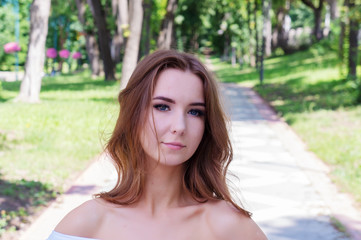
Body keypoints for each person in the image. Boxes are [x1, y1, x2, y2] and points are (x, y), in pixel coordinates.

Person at [47, 50, 268, 240]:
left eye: (195, 112)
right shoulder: (86, 225)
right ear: (133, 114)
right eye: (162, 107)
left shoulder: (229, 226)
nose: (179, 126)